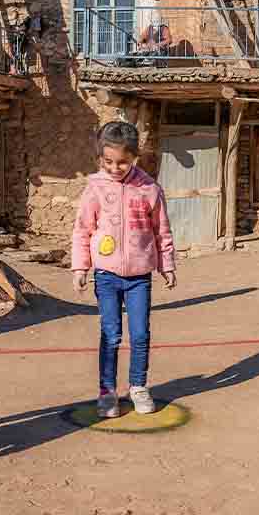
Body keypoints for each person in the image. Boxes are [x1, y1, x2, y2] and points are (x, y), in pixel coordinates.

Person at [71, 121, 177, 418]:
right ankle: (107, 391)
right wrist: (80, 267)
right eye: (108, 162)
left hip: (139, 277)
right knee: (111, 334)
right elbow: (82, 230)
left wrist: (166, 264)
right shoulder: (94, 188)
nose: (115, 168)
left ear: (134, 158)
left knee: (140, 334)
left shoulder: (149, 189)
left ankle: (138, 386)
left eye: (123, 162)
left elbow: (162, 230)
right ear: (99, 159)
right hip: (106, 275)